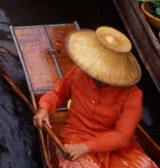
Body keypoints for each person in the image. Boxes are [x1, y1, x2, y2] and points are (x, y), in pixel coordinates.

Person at [33, 26, 157, 168]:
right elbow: (58, 93)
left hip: (115, 145)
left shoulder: (133, 95)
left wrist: (87, 147)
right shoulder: (78, 73)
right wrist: (44, 109)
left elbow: (122, 136)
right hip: (77, 136)